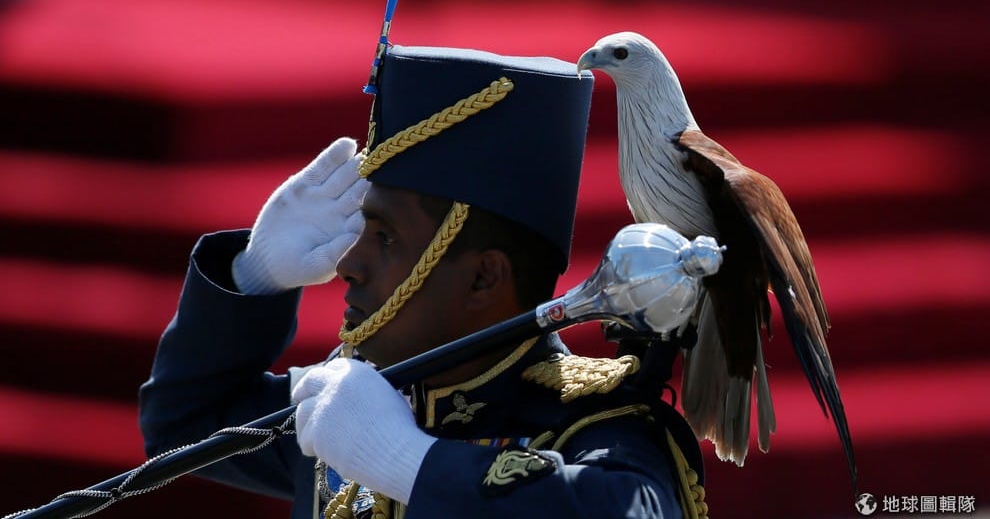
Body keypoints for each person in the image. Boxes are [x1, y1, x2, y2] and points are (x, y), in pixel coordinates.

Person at [139, 41, 709, 519]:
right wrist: (254, 275)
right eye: (362, 229)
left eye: (386, 238)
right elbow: (184, 424)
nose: (349, 264)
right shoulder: (356, 395)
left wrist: (412, 464)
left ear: (483, 278)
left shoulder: (594, 428)